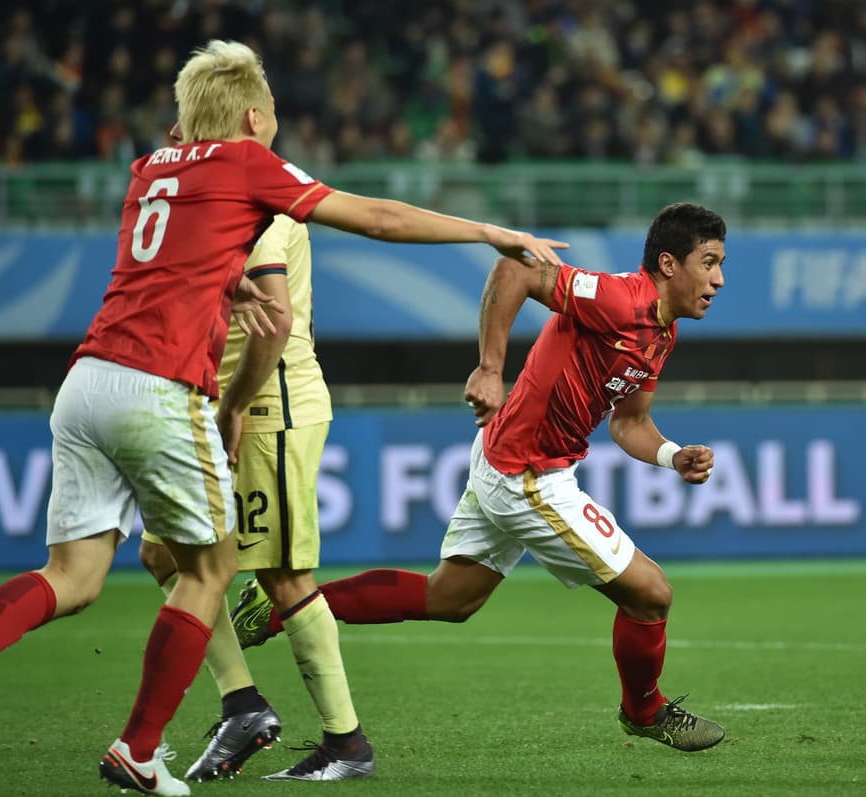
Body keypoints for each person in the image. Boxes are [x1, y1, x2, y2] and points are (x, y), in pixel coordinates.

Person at [0, 39, 566, 797]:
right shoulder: (248, 163)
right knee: (212, 569)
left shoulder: (147, 172)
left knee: (74, 575)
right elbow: (379, 218)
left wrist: (228, 283)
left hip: (85, 383)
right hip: (160, 390)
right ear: (255, 117)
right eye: (273, 110)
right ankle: (141, 747)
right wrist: (490, 232)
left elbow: (170, 262)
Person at [232, 202, 729, 753]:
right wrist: (491, 368)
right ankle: (644, 711)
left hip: (508, 457)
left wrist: (671, 456)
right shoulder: (618, 299)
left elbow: (629, 422)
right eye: (708, 263)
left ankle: (280, 607)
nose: (718, 280)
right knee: (651, 594)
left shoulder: (661, 334)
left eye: (720, 265)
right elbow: (515, 268)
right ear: (668, 264)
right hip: (527, 474)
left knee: (450, 598)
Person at [138, 212, 371, 782]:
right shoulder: (212, 199)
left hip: (265, 409)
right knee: (164, 553)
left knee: (283, 575)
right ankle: (242, 705)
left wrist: (235, 406)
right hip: (213, 405)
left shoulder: (258, 209)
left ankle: (346, 744)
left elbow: (271, 320)